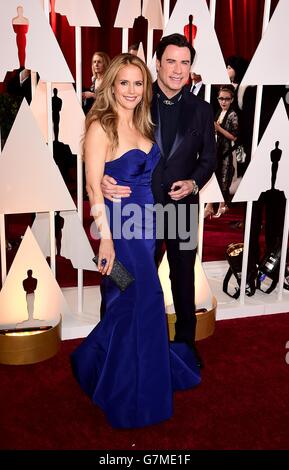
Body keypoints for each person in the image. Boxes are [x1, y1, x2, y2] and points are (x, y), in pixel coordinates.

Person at [71, 53, 201, 429]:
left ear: (146, 87)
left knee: (137, 305)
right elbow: (95, 188)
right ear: (111, 84)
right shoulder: (101, 125)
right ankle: (123, 387)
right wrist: (105, 242)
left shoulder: (145, 122)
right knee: (134, 299)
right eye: (123, 82)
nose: (131, 90)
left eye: (138, 83)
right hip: (120, 233)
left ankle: (110, 368)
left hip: (148, 228)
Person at [101, 34, 216, 366]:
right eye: (171, 61)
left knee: (182, 276)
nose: (178, 70)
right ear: (157, 62)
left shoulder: (202, 110)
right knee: (126, 275)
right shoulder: (134, 98)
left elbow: (208, 159)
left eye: (185, 62)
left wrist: (193, 183)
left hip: (181, 208)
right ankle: (115, 336)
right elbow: (105, 144)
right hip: (137, 208)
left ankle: (184, 343)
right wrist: (103, 178)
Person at [205, 85, 238, 219]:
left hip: (226, 152)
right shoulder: (219, 111)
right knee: (215, 177)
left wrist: (218, 128)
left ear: (232, 100)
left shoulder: (233, 114)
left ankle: (221, 205)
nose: (223, 102)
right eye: (221, 98)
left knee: (223, 178)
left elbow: (234, 136)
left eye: (227, 99)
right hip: (217, 150)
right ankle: (211, 206)